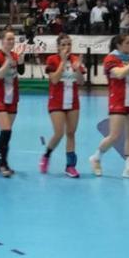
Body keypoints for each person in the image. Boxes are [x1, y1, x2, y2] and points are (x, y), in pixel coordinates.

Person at [89, 35, 129, 180]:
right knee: (114, 135)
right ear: (119, 45)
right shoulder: (111, 59)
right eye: (128, 43)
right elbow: (120, 74)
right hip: (118, 100)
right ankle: (96, 157)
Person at [40, 34, 85, 178]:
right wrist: (63, 62)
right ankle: (47, 155)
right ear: (58, 46)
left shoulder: (76, 60)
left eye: (69, 44)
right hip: (56, 102)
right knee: (59, 133)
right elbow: (54, 80)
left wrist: (77, 70)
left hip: (73, 102)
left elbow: (81, 82)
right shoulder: (52, 60)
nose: (67, 47)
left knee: (71, 133)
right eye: (64, 45)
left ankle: (70, 166)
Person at [0, 30, 25, 178]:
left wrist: (20, 62)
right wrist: (8, 62)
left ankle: (1, 162)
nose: (11, 42)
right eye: (8, 39)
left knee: (6, 133)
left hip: (12, 98)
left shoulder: (15, 55)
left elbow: (20, 72)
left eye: (13, 39)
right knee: (6, 130)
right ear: (1, 40)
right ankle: (3, 163)